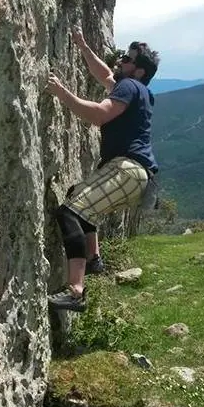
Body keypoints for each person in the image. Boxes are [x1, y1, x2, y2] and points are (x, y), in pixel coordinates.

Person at [45, 25, 159, 312]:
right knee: (78, 195)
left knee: (71, 211)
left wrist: (62, 93)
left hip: (128, 169)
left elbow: (99, 115)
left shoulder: (129, 86)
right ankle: (93, 258)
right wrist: (83, 46)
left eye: (128, 59)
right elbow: (105, 76)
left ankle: (76, 291)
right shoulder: (138, 90)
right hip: (136, 174)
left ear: (138, 71)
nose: (120, 61)